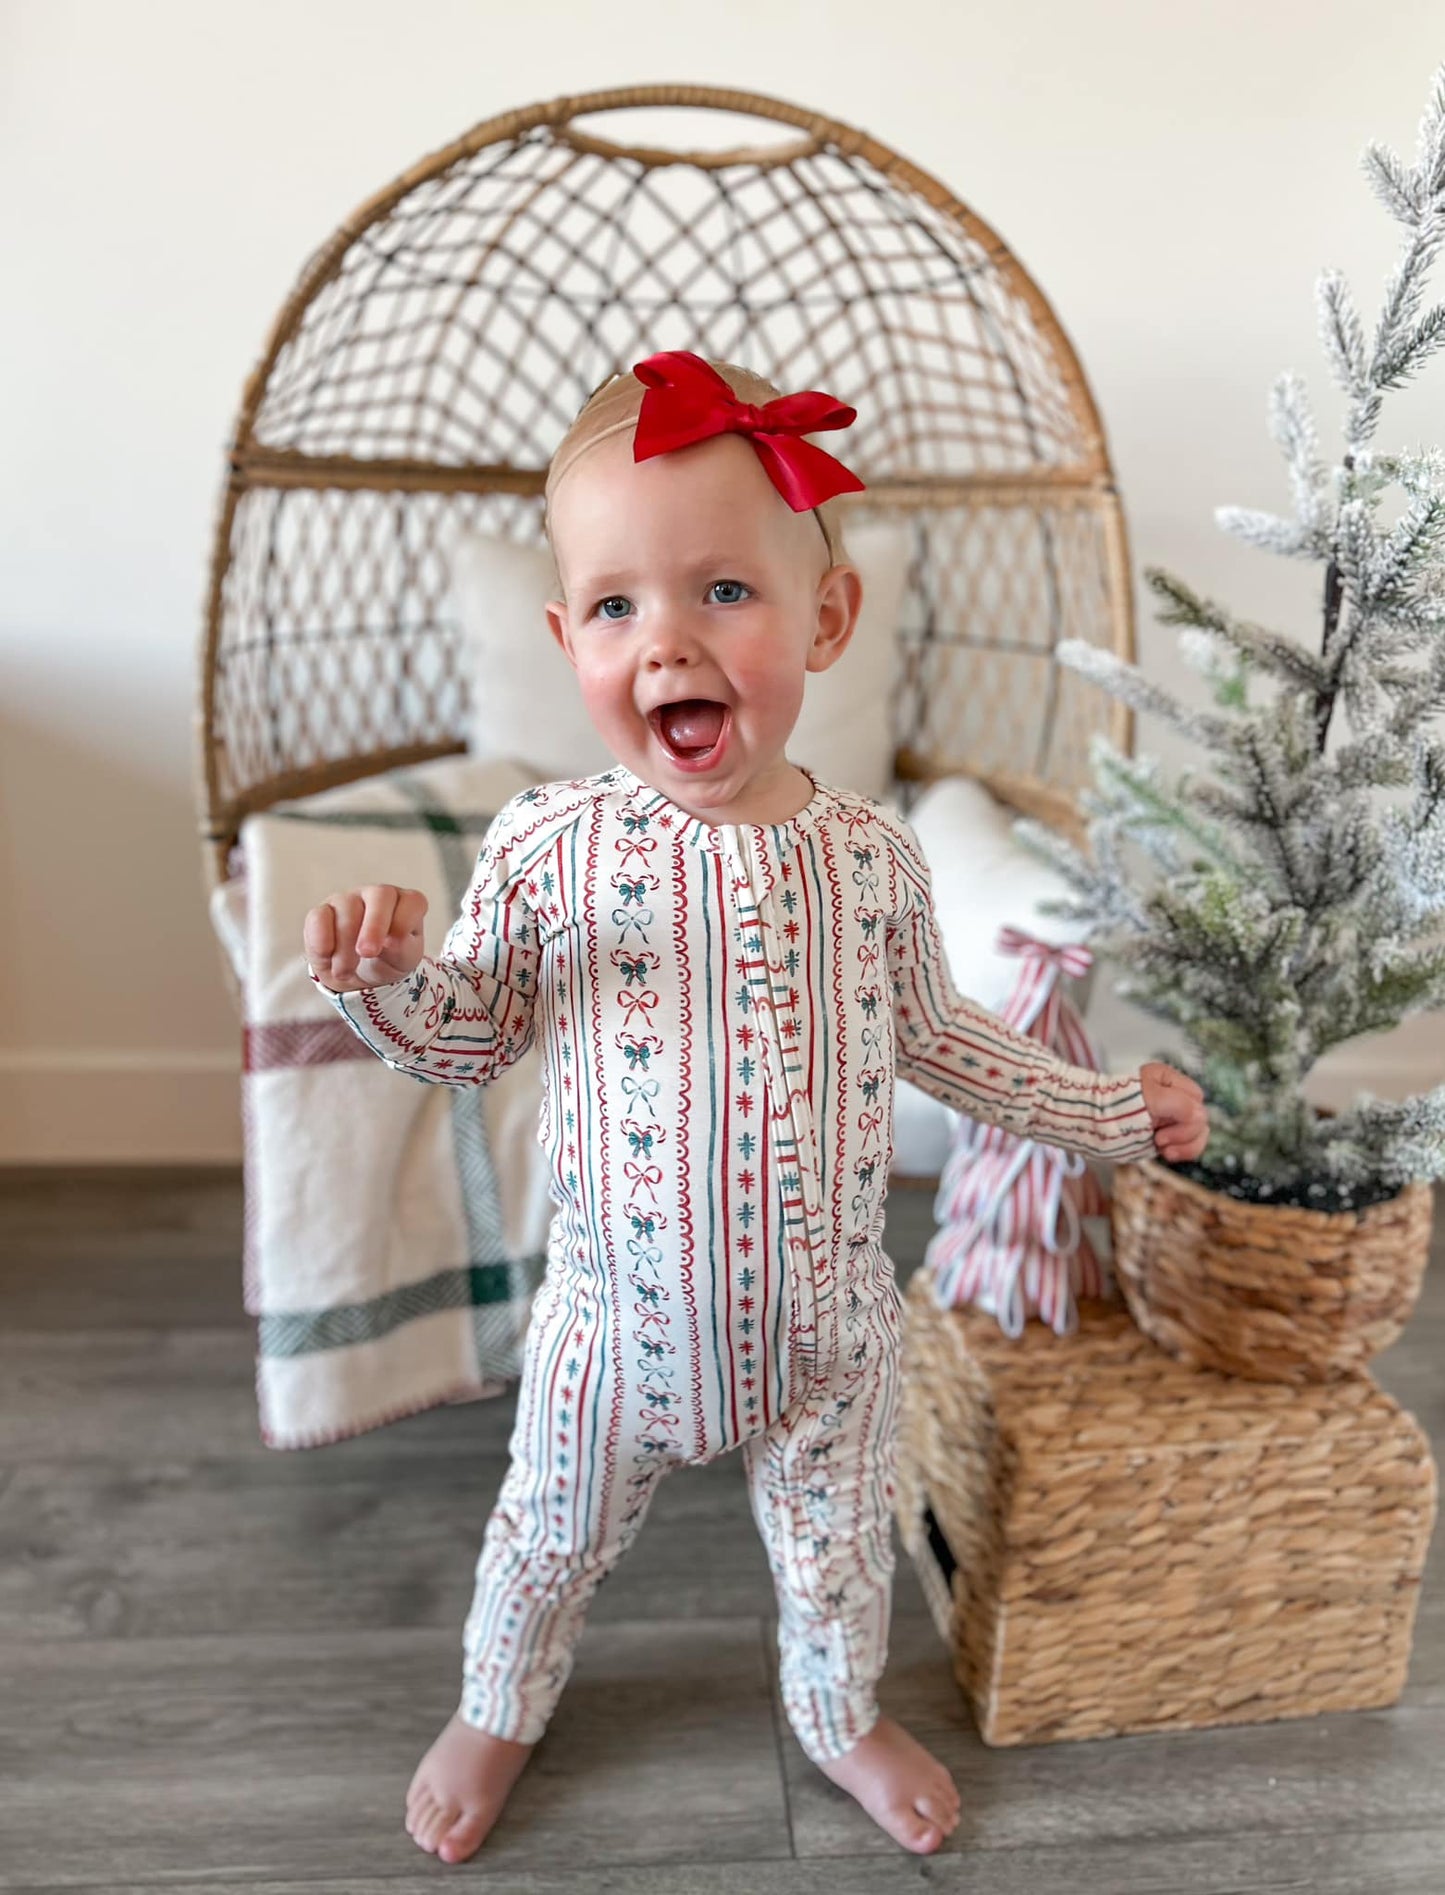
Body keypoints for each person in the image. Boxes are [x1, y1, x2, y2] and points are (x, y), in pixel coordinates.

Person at [304, 351, 1210, 1865]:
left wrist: (1110, 1112)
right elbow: (467, 1039)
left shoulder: (865, 860)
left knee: (840, 1556)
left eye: (723, 591)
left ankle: (837, 1711)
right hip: (614, 1323)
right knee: (540, 1543)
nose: (667, 641)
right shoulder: (549, 847)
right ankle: (500, 1706)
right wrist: (387, 986)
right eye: (615, 607)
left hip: (825, 1329)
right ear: (565, 640)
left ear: (824, 619)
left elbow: (943, 1042)